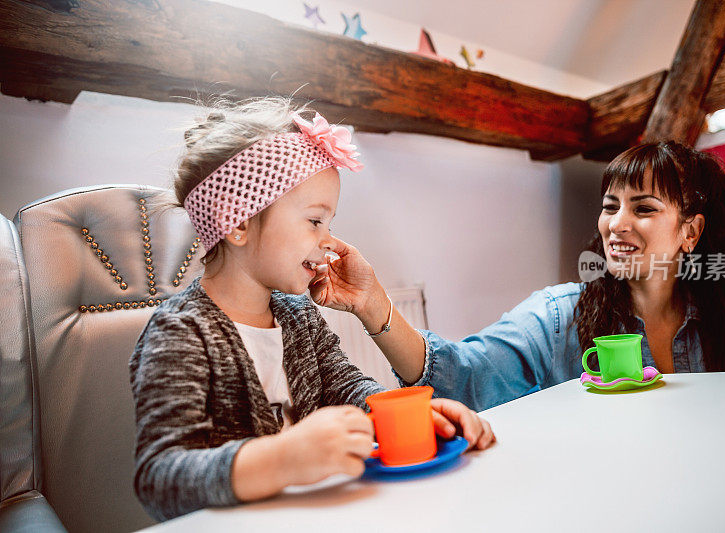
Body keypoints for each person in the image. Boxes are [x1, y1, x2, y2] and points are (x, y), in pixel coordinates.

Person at [129, 97, 495, 521]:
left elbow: (348, 390)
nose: (328, 240)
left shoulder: (297, 316)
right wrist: (283, 457)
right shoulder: (179, 333)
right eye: (314, 220)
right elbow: (159, 478)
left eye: (330, 222)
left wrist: (406, 411)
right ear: (237, 222)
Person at [310, 141, 725, 412]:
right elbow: (461, 380)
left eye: (643, 208)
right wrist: (372, 303)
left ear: (690, 231)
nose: (616, 225)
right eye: (610, 207)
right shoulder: (561, 315)